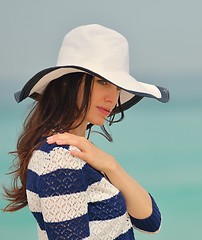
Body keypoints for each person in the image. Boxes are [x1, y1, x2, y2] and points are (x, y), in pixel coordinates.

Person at [3, 24, 169, 239]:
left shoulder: (80, 152)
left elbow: (150, 221)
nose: (113, 97)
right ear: (66, 84)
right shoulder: (60, 158)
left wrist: (111, 165)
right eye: (102, 82)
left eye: (117, 87)